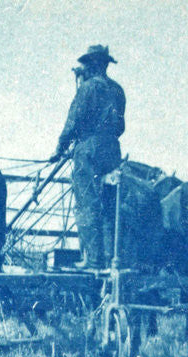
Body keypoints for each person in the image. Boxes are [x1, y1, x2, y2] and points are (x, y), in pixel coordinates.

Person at [51, 45, 126, 269]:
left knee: (87, 203)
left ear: (91, 65)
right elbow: (120, 126)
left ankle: (93, 260)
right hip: (112, 150)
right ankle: (111, 258)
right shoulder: (118, 90)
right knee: (110, 205)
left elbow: (73, 120)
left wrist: (60, 148)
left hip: (89, 149)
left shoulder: (88, 88)